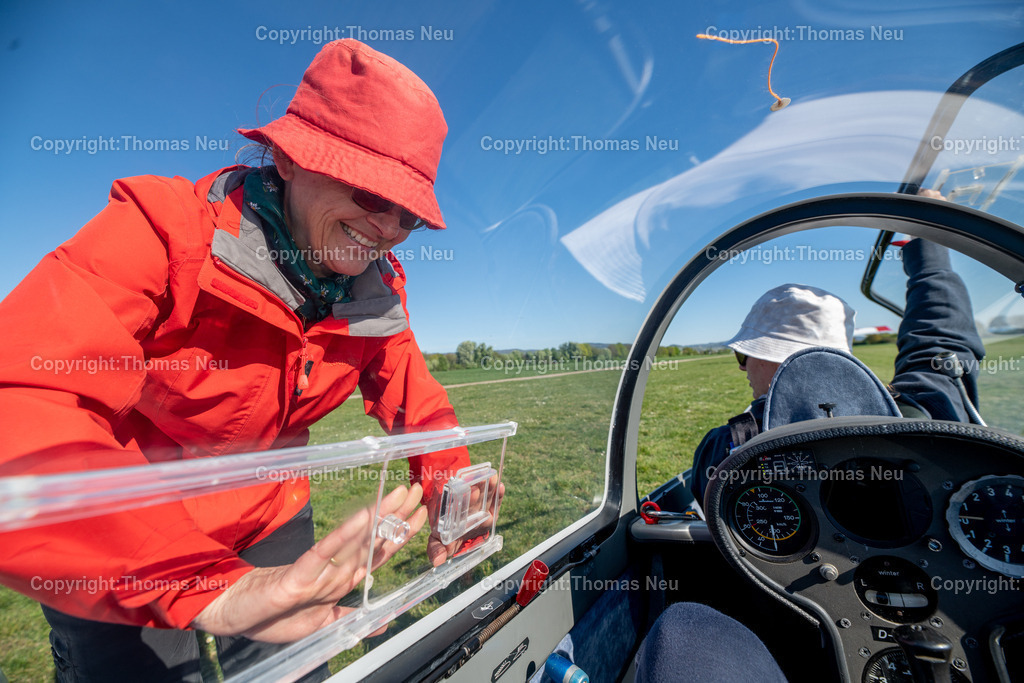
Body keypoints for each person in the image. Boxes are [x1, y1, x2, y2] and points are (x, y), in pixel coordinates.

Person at [0, 39, 474, 682]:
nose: (388, 228)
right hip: (132, 530)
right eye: (370, 193)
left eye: (409, 215)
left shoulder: (375, 296)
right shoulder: (164, 231)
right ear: (290, 158)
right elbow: (22, 397)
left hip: (272, 518)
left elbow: (419, 404)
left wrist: (457, 494)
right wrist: (203, 585)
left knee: (295, 672)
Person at [689, 235, 986, 505]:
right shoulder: (926, 411)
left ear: (769, 356)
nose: (742, 367)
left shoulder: (726, 446)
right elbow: (940, 335)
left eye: (743, 355)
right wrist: (927, 244)